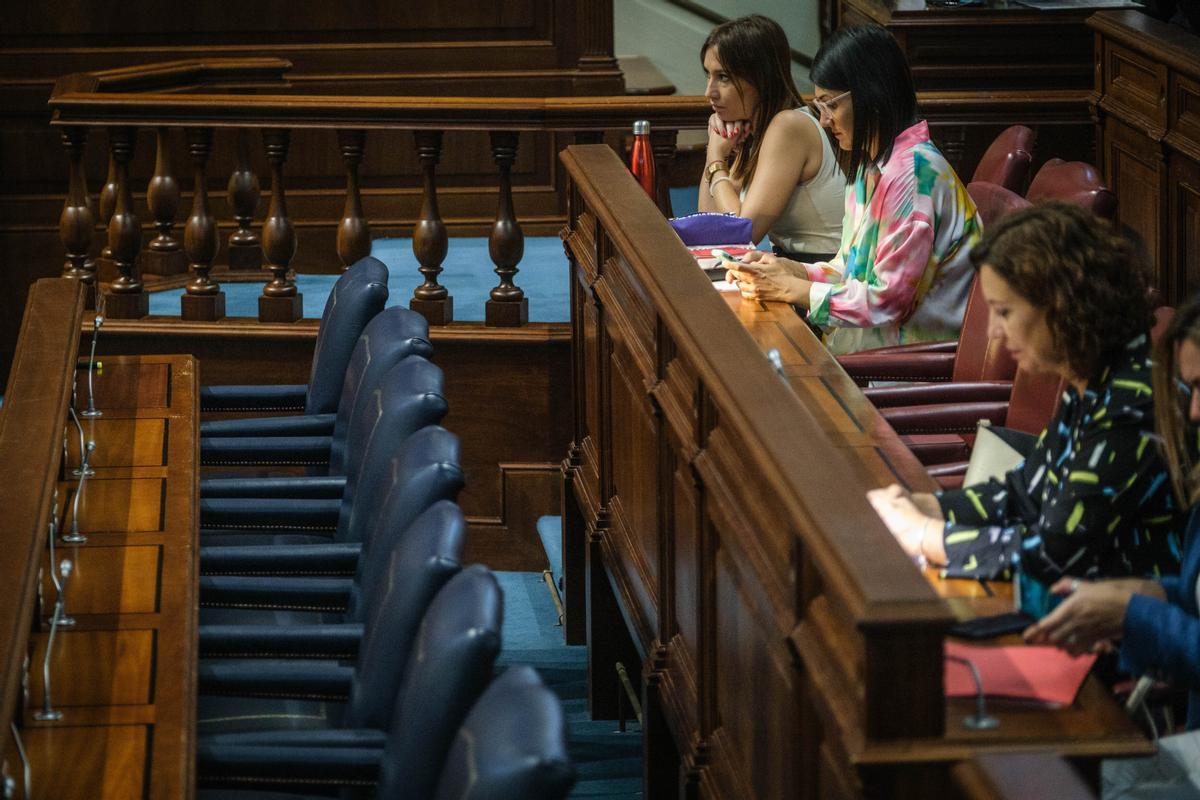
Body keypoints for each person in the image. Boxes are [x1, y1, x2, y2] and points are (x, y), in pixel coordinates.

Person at [867, 203, 1184, 614]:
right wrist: (931, 507)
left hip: (1123, 636)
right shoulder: (1095, 379)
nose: (994, 332)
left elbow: (1052, 555)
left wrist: (926, 535)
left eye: (1004, 312)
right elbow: (1023, 494)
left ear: (1062, 304)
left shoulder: (1133, 403)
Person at [726, 24, 981, 355]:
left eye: (830, 105)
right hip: (871, 351)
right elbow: (849, 268)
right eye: (819, 107)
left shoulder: (915, 177)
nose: (824, 120)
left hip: (906, 365)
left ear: (870, 95)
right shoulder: (872, 164)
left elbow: (887, 301)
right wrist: (789, 270)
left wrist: (792, 289)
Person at [1022, 293, 1200, 727]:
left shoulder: (1131, 405)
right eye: (1192, 388)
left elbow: (1057, 543)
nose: (1194, 412)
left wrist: (1131, 614)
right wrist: (1147, 593)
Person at [696, 15, 845, 261]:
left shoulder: (788, 126)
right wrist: (716, 150)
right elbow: (710, 226)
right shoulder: (755, 130)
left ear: (759, 78)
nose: (709, 92)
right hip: (793, 267)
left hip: (827, 272)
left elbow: (741, 235)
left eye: (723, 77)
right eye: (708, 75)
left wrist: (715, 158)